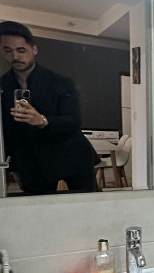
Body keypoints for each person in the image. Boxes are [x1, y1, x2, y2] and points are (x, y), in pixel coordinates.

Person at [0, 20, 100, 194]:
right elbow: (6, 131)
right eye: (8, 50)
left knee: (88, 205)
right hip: (32, 164)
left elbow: (74, 121)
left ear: (34, 50)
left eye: (21, 50)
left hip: (72, 155)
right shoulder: (2, 86)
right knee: (39, 208)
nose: (15, 56)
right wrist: (14, 166)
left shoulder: (60, 82)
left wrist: (42, 120)